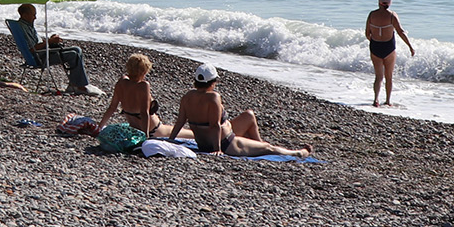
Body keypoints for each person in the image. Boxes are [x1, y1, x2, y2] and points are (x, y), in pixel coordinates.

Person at [174, 64, 310, 156]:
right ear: (212, 81)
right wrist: (217, 150)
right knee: (270, 149)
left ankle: (259, 144)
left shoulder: (187, 97)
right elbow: (215, 125)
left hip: (207, 142)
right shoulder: (213, 97)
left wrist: (170, 140)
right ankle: (296, 153)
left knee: (248, 115)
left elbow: (180, 122)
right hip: (227, 143)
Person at [14, 3, 92, 94]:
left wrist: (50, 40)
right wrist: (49, 41)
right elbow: (32, 49)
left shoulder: (26, 25)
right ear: (24, 15)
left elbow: (36, 44)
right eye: (33, 15)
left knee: (77, 49)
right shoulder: (24, 28)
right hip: (40, 58)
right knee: (73, 55)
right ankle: (78, 85)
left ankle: (74, 84)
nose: (35, 18)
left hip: (42, 52)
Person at [98, 53, 169, 136]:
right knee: (186, 133)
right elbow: (144, 113)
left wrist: (99, 127)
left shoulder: (121, 83)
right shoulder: (143, 85)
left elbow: (112, 108)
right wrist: (145, 137)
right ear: (144, 71)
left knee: (178, 130)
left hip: (134, 128)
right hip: (153, 129)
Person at [365, 0, 415, 107]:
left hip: (375, 46)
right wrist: (410, 47)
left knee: (378, 76)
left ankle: (376, 100)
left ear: (378, 2)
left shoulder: (372, 15)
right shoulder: (392, 15)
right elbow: (401, 32)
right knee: (389, 76)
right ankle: (387, 101)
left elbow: (367, 33)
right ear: (390, 3)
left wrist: (374, 42)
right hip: (389, 48)